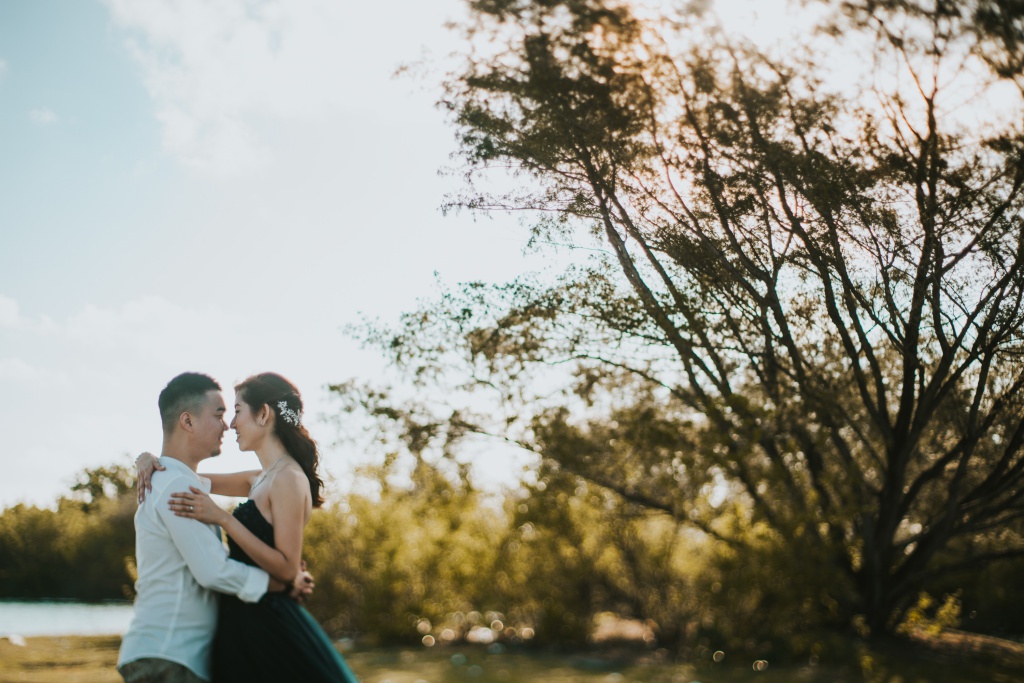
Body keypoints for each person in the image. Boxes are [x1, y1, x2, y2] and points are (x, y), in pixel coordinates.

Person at [137, 372, 359, 683]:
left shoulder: (289, 479)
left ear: (264, 414)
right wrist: (148, 459)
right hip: (239, 617)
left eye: (238, 411)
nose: (231, 424)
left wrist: (224, 519)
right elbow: (186, 478)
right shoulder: (260, 478)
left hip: (267, 622)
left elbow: (287, 568)